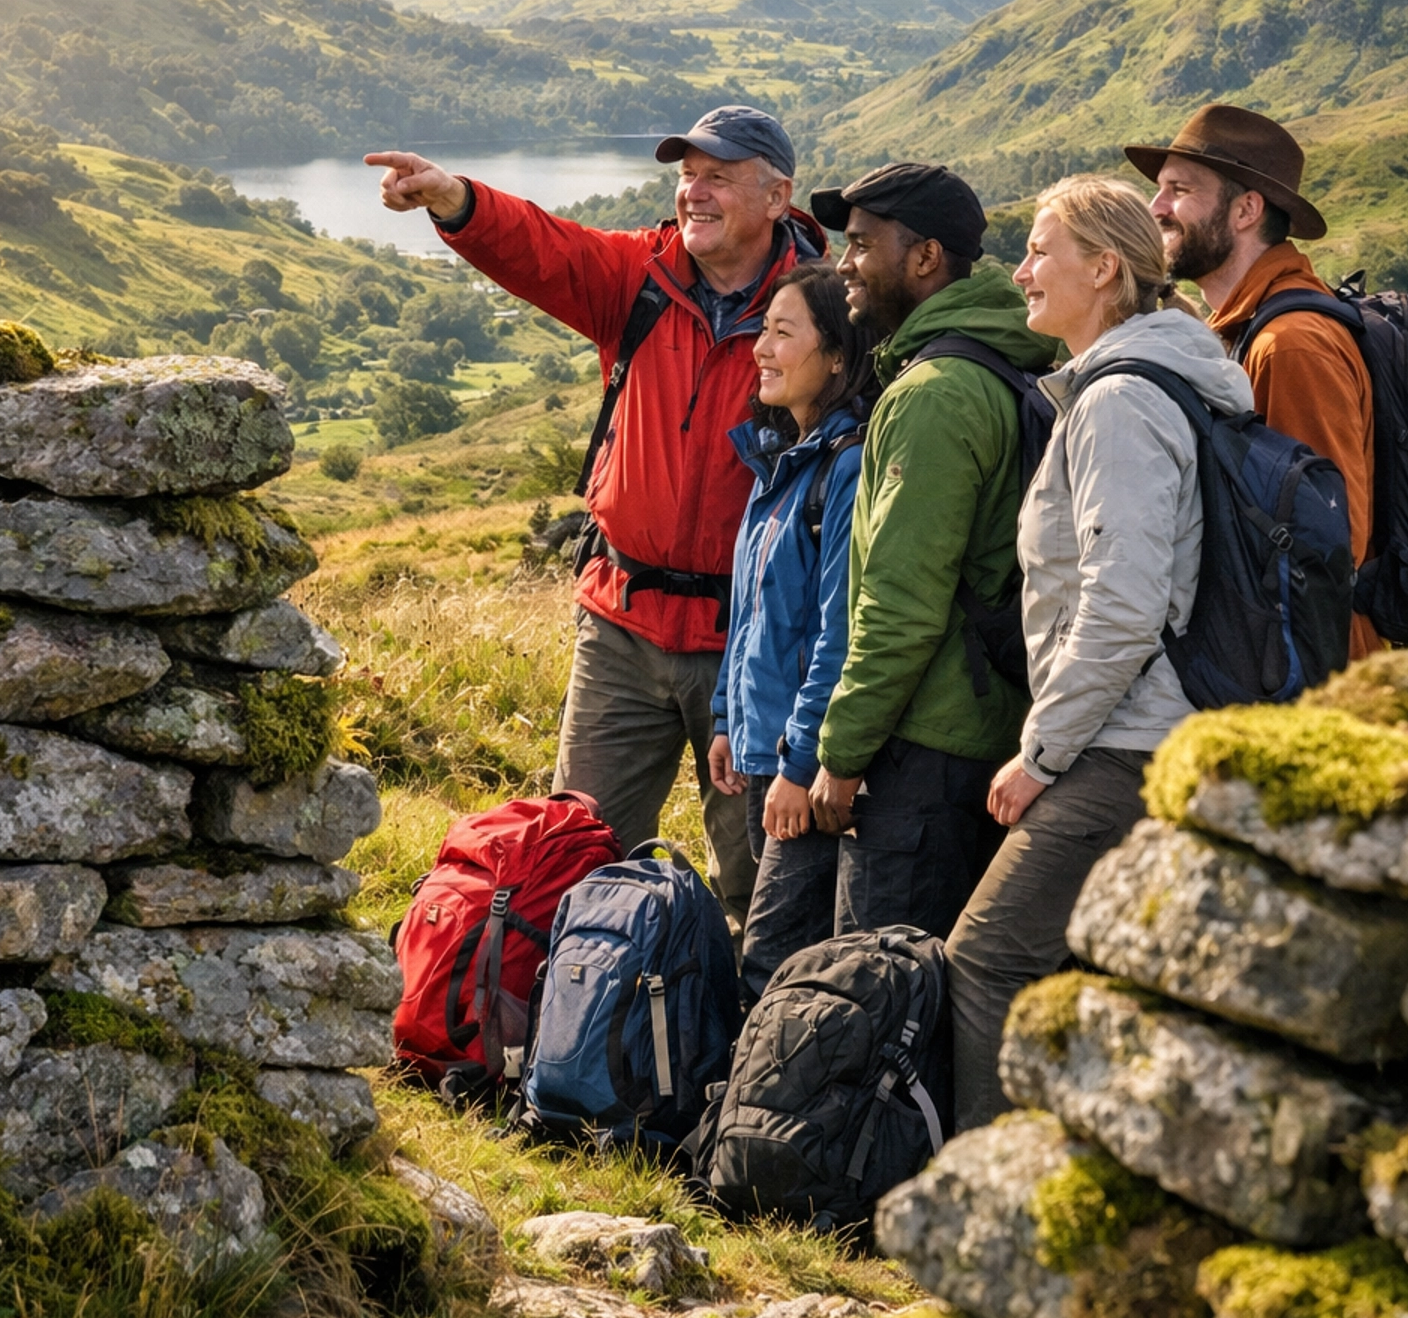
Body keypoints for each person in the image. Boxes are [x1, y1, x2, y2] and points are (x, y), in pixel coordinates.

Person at [365, 109, 824, 938]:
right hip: (623, 622)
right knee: (579, 855)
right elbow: (545, 248)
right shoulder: (641, 279)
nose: (695, 191)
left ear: (778, 194)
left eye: (718, 175)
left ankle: (746, 1052)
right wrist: (456, 200)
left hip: (753, 639)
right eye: (686, 174)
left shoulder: (826, 308)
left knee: (758, 878)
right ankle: (569, 1043)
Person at [944, 174, 1254, 1131]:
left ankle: (986, 1217)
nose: (1022, 269)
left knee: (989, 956)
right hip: (1148, 731)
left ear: (1105, 268)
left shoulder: (1120, 402)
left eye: (1041, 250)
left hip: (1126, 741)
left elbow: (1121, 607)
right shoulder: (1140, 382)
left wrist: (1041, 755)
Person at [804, 163, 1059, 943]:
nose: (843, 264)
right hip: (996, 728)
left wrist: (842, 754)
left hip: (926, 750)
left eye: (859, 245)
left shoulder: (935, 392)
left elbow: (901, 605)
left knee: (880, 994)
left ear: (924, 258)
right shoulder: (1010, 357)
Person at [1126, 104, 1379, 660]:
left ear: (1245, 210)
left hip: (1314, 674)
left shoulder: (1290, 345)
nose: (1156, 207)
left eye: (1178, 190)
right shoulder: (1248, 331)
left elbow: (1330, 542)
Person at [707, 263, 875, 1005]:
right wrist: (724, 718)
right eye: (762, 330)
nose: (761, 349)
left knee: (772, 964)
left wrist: (800, 764)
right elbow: (750, 614)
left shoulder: (845, 465)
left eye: (783, 332)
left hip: (798, 768)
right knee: (765, 947)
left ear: (837, 355)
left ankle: (745, 1117)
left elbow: (838, 631)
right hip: (762, 755)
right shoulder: (779, 461)